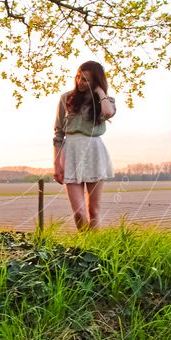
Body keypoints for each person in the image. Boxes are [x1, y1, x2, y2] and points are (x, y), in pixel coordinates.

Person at [53, 60, 116, 231]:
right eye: (79, 77)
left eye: (86, 80)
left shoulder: (105, 101)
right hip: (70, 153)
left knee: (93, 210)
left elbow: (108, 112)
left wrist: (99, 91)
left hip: (94, 152)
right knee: (79, 212)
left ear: (96, 81)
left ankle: (93, 251)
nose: (80, 82)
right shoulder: (66, 99)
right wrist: (57, 164)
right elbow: (58, 134)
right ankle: (85, 247)